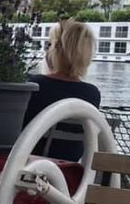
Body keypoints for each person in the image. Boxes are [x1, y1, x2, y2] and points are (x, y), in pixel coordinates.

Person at [22, 19, 101, 161]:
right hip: (68, 171)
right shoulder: (92, 94)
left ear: (54, 50)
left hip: (26, 164)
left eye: (49, 45)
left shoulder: (32, 85)